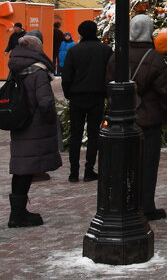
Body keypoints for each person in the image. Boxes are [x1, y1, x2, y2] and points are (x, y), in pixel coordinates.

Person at [106, 14, 167, 220]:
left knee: (123, 164)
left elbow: (108, 84)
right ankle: (146, 205)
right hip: (149, 119)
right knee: (148, 164)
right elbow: (165, 90)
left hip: (122, 119)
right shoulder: (154, 58)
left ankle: (124, 203)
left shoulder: (117, 55)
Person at [7, 33, 61, 227]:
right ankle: (18, 215)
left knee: (21, 169)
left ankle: (18, 212)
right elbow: (45, 102)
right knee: (25, 170)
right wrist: (50, 121)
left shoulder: (16, 67)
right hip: (35, 125)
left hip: (19, 123)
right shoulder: (38, 72)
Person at [61, 20, 112, 182]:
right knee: (93, 134)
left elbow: (66, 76)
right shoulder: (105, 50)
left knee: (75, 135)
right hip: (96, 95)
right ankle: (89, 170)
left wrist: (68, 93)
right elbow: (110, 74)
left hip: (77, 96)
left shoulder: (74, 51)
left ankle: (73, 172)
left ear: (81, 33)